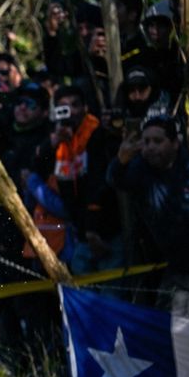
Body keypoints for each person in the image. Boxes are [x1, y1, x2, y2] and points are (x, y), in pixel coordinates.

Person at [108, 115, 189, 322]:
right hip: (180, 270)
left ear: (175, 143)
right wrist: (121, 160)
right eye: (146, 141)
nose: (150, 147)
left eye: (158, 141)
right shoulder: (140, 171)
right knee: (163, 329)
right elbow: (116, 180)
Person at [34, 85, 122, 275]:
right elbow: (36, 169)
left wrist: (92, 229)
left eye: (75, 105)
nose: (70, 112)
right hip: (80, 233)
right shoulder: (58, 138)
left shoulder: (97, 133)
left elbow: (100, 183)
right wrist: (54, 141)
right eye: (63, 107)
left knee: (111, 295)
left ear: (85, 108)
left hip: (105, 230)